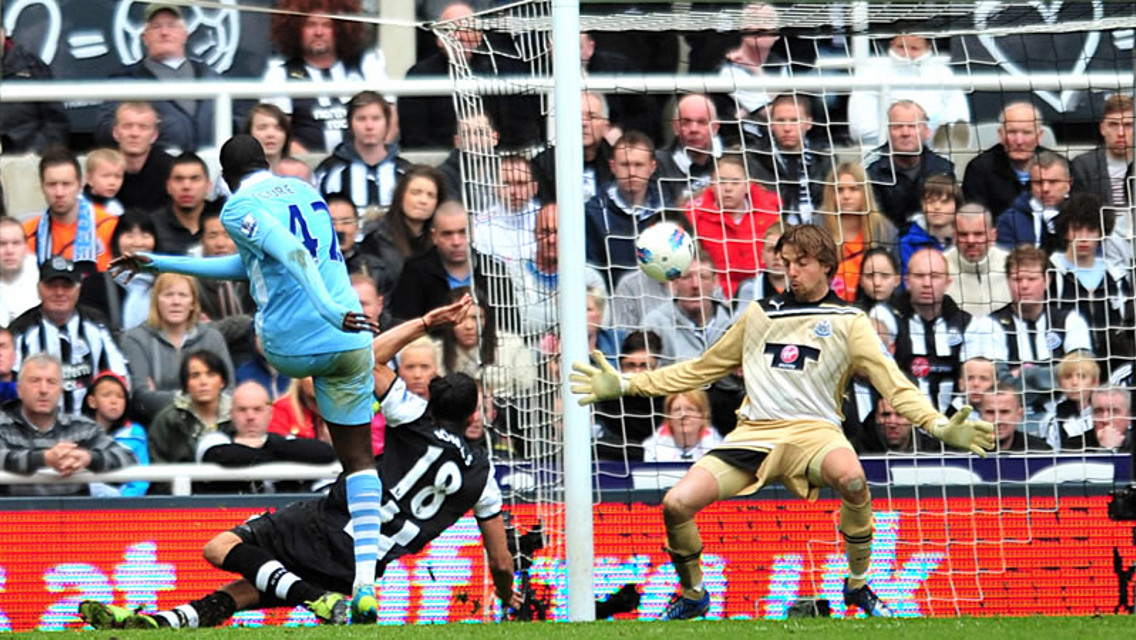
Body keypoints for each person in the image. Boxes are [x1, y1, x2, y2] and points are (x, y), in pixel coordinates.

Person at [569, 224, 994, 620]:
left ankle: (858, 583)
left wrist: (939, 426)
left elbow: (895, 386)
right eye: (786, 262)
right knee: (676, 504)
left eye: (800, 262)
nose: (790, 271)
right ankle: (695, 594)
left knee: (852, 479)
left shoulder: (851, 322)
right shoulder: (758, 314)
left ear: (826, 265)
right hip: (757, 432)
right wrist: (626, 385)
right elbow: (700, 369)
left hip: (816, 433)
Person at [78, 300, 517, 631]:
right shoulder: (483, 481)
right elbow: (499, 559)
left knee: (220, 549)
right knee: (249, 589)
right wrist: (506, 600)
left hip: (330, 523)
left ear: (432, 400)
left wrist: (424, 323)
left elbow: (366, 359)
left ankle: (316, 600)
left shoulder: (414, 417)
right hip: (361, 566)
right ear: (473, 415)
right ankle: (161, 625)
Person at [110, 134, 385, 621]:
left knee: (235, 333)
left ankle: (227, 422)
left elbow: (292, 253)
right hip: (350, 342)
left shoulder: (238, 206)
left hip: (295, 344)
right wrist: (160, 263)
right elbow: (250, 261)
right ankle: (365, 583)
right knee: (360, 462)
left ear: (223, 177)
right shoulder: (305, 191)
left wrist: (328, 310)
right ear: (268, 163)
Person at [264, 0, 399, 153]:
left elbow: (390, 118)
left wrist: (372, 159)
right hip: (307, 169)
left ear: (341, 28)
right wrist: (315, 165)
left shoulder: (366, 64)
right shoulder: (280, 73)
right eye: (310, 24)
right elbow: (279, 134)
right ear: (295, 29)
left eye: (327, 25)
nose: (319, 32)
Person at [0, 353, 136, 496]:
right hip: (14, 516)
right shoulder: (3, 425)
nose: (43, 390)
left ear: (61, 391)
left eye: (52, 382)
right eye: (35, 381)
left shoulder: (82, 428)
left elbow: (129, 460)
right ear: (19, 390)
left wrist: (88, 459)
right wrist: (43, 459)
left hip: (73, 515)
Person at [9, 257, 130, 415]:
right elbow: (10, 387)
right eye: (52, 286)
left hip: (91, 428)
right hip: (35, 430)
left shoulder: (98, 326)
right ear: (39, 289)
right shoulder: (21, 331)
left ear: (78, 290)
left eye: (67, 286)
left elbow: (120, 377)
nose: (59, 292)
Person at [95, 4, 218, 153]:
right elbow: (104, 128)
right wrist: (143, 127)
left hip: (213, 169)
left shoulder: (212, 77)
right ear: (144, 37)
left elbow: (240, 121)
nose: (164, 32)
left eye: (172, 25)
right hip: (157, 170)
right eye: (156, 27)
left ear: (185, 34)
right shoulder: (125, 80)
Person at [120, 273, 234, 424]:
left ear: (193, 302)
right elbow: (142, 399)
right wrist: (203, 398)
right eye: (168, 295)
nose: (176, 302)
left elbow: (228, 391)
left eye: (183, 295)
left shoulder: (212, 338)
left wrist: (161, 396)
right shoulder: (135, 339)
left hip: (210, 425)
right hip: (156, 428)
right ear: (156, 301)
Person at [872, 248, 973, 414]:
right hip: (902, 417)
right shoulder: (886, 315)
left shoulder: (965, 323)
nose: (927, 283)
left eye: (934, 276)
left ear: (948, 282)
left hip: (955, 419)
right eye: (919, 276)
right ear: (907, 281)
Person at [965, 245, 1093, 369]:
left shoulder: (1070, 321)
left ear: (1047, 281)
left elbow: (1081, 374)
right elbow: (998, 379)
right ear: (1008, 281)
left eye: (1031, 279)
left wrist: (1025, 374)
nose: (1024, 286)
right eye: (1017, 279)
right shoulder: (990, 324)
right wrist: (1059, 372)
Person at [195, 381, 336, 493]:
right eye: (242, 410)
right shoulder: (215, 439)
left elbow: (325, 453)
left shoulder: (284, 442)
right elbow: (219, 455)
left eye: (257, 409)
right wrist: (274, 455)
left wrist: (266, 448)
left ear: (270, 413)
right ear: (231, 413)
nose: (250, 417)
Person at [389, 200, 513, 327]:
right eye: (447, 234)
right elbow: (404, 326)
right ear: (434, 237)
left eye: (462, 232)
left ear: (473, 233)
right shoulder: (415, 272)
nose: (456, 242)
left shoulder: (494, 271)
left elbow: (511, 326)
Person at [1049, 193, 1135, 372]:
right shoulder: (1051, 273)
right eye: (1077, 229)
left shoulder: (1116, 276)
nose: (1083, 237)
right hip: (1067, 370)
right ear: (1065, 231)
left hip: (1114, 371)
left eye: (1091, 229)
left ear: (1102, 232)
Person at [585, 131, 675, 288]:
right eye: (625, 165)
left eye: (639, 165)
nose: (632, 173)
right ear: (612, 166)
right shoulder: (593, 213)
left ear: (652, 167)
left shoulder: (669, 212)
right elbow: (591, 274)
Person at [846, 36, 970, 149]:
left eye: (914, 48)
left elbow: (959, 119)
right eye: (901, 47)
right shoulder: (872, 72)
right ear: (891, 43)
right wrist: (902, 137)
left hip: (934, 149)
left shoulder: (943, 73)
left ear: (928, 48)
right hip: (880, 149)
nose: (907, 54)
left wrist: (925, 136)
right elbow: (861, 128)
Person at [685, 154, 780, 298]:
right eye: (721, 182)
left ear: (748, 185)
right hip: (717, 295)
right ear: (711, 185)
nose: (728, 188)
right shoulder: (695, 216)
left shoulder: (771, 211)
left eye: (735, 182)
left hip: (764, 290)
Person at [22, 147, 118, 275]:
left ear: (80, 186)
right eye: (52, 184)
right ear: (42, 187)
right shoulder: (27, 234)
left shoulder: (110, 225)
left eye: (66, 184)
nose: (59, 193)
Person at [313, 91, 411, 216]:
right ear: (350, 124)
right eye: (361, 119)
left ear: (387, 123)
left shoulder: (406, 172)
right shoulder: (328, 171)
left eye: (376, 119)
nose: (369, 126)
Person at [356, 166, 447, 299]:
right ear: (400, 195)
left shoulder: (441, 240)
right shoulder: (377, 239)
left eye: (431, 195)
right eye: (416, 192)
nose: (423, 201)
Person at [865, 100, 957, 228]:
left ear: (927, 131)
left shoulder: (943, 169)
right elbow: (872, 224)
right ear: (888, 132)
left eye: (912, 126)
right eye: (898, 126)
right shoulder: (871, 171)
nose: (905, 133)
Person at [817, 162, 898, 302]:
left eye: (854, 189)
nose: (846, 196)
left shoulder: (885, 230)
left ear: (865, 192)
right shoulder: (816, 228)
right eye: (839, 190)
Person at [750, 94, 833, 225]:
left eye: (794, 120)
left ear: (809, 123)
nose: (787, 128)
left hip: (816, 231)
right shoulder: (753, 158)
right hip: (770, 230)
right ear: (771, 124)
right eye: (780, 121)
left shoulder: (824, 159)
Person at [963, 102, 1054, 218]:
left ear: (1039, 136)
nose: (1019, 141)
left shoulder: (1057, 167)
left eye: (1027, 133)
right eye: (1012, 132)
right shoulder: (979, 169)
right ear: (1000, 135)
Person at [77, 210, 159, 333]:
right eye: (129, 236)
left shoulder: (165, 283)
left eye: (145, 235)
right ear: (116, 240)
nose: (138, 243)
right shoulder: (96, 284)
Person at [643, 252, 733, 363]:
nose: (695, 285)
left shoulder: (733, 322)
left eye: (703, 277)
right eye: (686, 277)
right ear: (675, 282)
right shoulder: (654, 324)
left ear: (715, 282)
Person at [147, 349, 233, 466]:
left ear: (222, 381)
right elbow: (158, 466)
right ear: (186, 383)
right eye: (195, 375)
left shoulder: (238, 416)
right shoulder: (168, 420)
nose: (203, 382)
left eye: (210, 374)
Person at [593, 331, 665, 462]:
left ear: (658, 367)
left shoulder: (670, 402)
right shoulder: (606, 399)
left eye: (645, 365)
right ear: (620, 366)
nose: (637, 372)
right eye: (630, 365)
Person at [533, 92, 616, 202]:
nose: (583, 123)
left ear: (606, 126)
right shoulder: (543, 165)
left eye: (592, 116)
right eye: (577, 116)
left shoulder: (618, 163)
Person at [0, 27, 69, 153]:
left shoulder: (32, 66)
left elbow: (55, 121)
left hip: (27, 158)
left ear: (3, 32)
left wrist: (35, 152)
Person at [82, 370, 149, 497]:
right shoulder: (78, 433)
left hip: (125, 510)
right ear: (92, 401)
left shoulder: (135, 434)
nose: (114, 401)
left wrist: (120, 499)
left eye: (120, 396)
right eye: (107, 395)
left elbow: (140, 480)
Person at [994, 151, 1072, 252]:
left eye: (1053, 182)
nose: (1045, 189)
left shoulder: (1083, 216)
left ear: (1069, 183)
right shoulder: (1009, 220)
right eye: (1038, 182)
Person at [944, 204, 1010, 319]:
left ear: (993, 235)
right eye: (963, 234)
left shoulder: (1011, 266)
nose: (971, 241)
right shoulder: (939, 267)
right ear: (954, 236)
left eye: (978, 234)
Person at [473, 156, 542, 264]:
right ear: (495, 188)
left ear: (534, 188)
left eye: (520, 183)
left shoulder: (548, 222)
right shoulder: (480, 226)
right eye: (506, 184)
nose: (513, 191)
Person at [655, 95, 723, 204]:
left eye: (702, 122)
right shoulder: (658, 164)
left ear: (715, 128)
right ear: (675, 127)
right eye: (686, 122)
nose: (694, 129)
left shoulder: (734, 160)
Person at [1071, 93, 1134, 209]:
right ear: (1102, 129)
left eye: (1128, 125)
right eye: (1113, 125)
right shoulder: (1083, 166)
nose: (1121, 133)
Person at [111, 102, 174, 213]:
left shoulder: (172, 170)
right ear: (115, 132)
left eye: (143, 127)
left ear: (154, 135)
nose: (135, 134)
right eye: (127, 126)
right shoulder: (102, 169)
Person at [151, 153, 219, 255]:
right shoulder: (153, 224)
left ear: (208, 186)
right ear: (168, 186)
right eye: (179, 179)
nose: (186, 186)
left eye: (195, 179)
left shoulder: (223, 221)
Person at [897, 173, 962, 274]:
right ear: (922, 205)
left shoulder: (966, 241)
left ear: (957, 206)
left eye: (945, 202)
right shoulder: (907, 244)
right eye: (930, 201)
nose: (937, 207)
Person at [642, 389, 722, 463]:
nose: (683, 415)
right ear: (668, 417)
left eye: (690, 409)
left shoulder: (719, 448)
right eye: (677, 410)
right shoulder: (651, 447)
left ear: (703, 416)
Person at [328, 195, 384, 285]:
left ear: (357, 226)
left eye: (346, 222)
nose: (339, 229)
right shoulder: (309, 266)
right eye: (332, 222)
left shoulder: (375, 267)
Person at [981, 383, 1051, 453]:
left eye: (1004, 412)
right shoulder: (971, 451)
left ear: (1019, 414)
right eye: (990, 412)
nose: (997, 420)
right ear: (981, 415)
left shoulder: (1039, 451)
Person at [862, 397, 941, 455]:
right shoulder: (857, 450)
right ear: (876, 418)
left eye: (900, 414)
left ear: (912, 418)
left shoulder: (934, 450)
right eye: (885, 415)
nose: (892, 423)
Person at [0, 216, 39, 327]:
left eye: (16, 243)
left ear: (26, 247)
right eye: (2, 244)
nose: (9, 251)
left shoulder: (42, 273)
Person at [243, 103, 295, 172]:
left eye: (278, 128)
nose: (271, 134)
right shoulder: (236, 176)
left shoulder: (299, 173)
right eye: (262, 128)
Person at [1083, 387, 1135, 451]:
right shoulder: (1077, 445)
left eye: (1113, 411)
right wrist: (1105, 448)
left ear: (1129, 416)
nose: (1105, 419)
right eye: (1099, 411)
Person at [853, 247, 901, 313]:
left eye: (885, 276)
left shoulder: (905, 315)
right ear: (861, 281)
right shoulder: (852, 316)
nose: (877, 283)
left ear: (897, 280)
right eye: (870, 276)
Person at [83, 149, 127, 217]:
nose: (112, 182)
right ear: (89, 179)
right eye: (106, 176)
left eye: (118, 177)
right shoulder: (77, 203)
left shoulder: (116, 209)